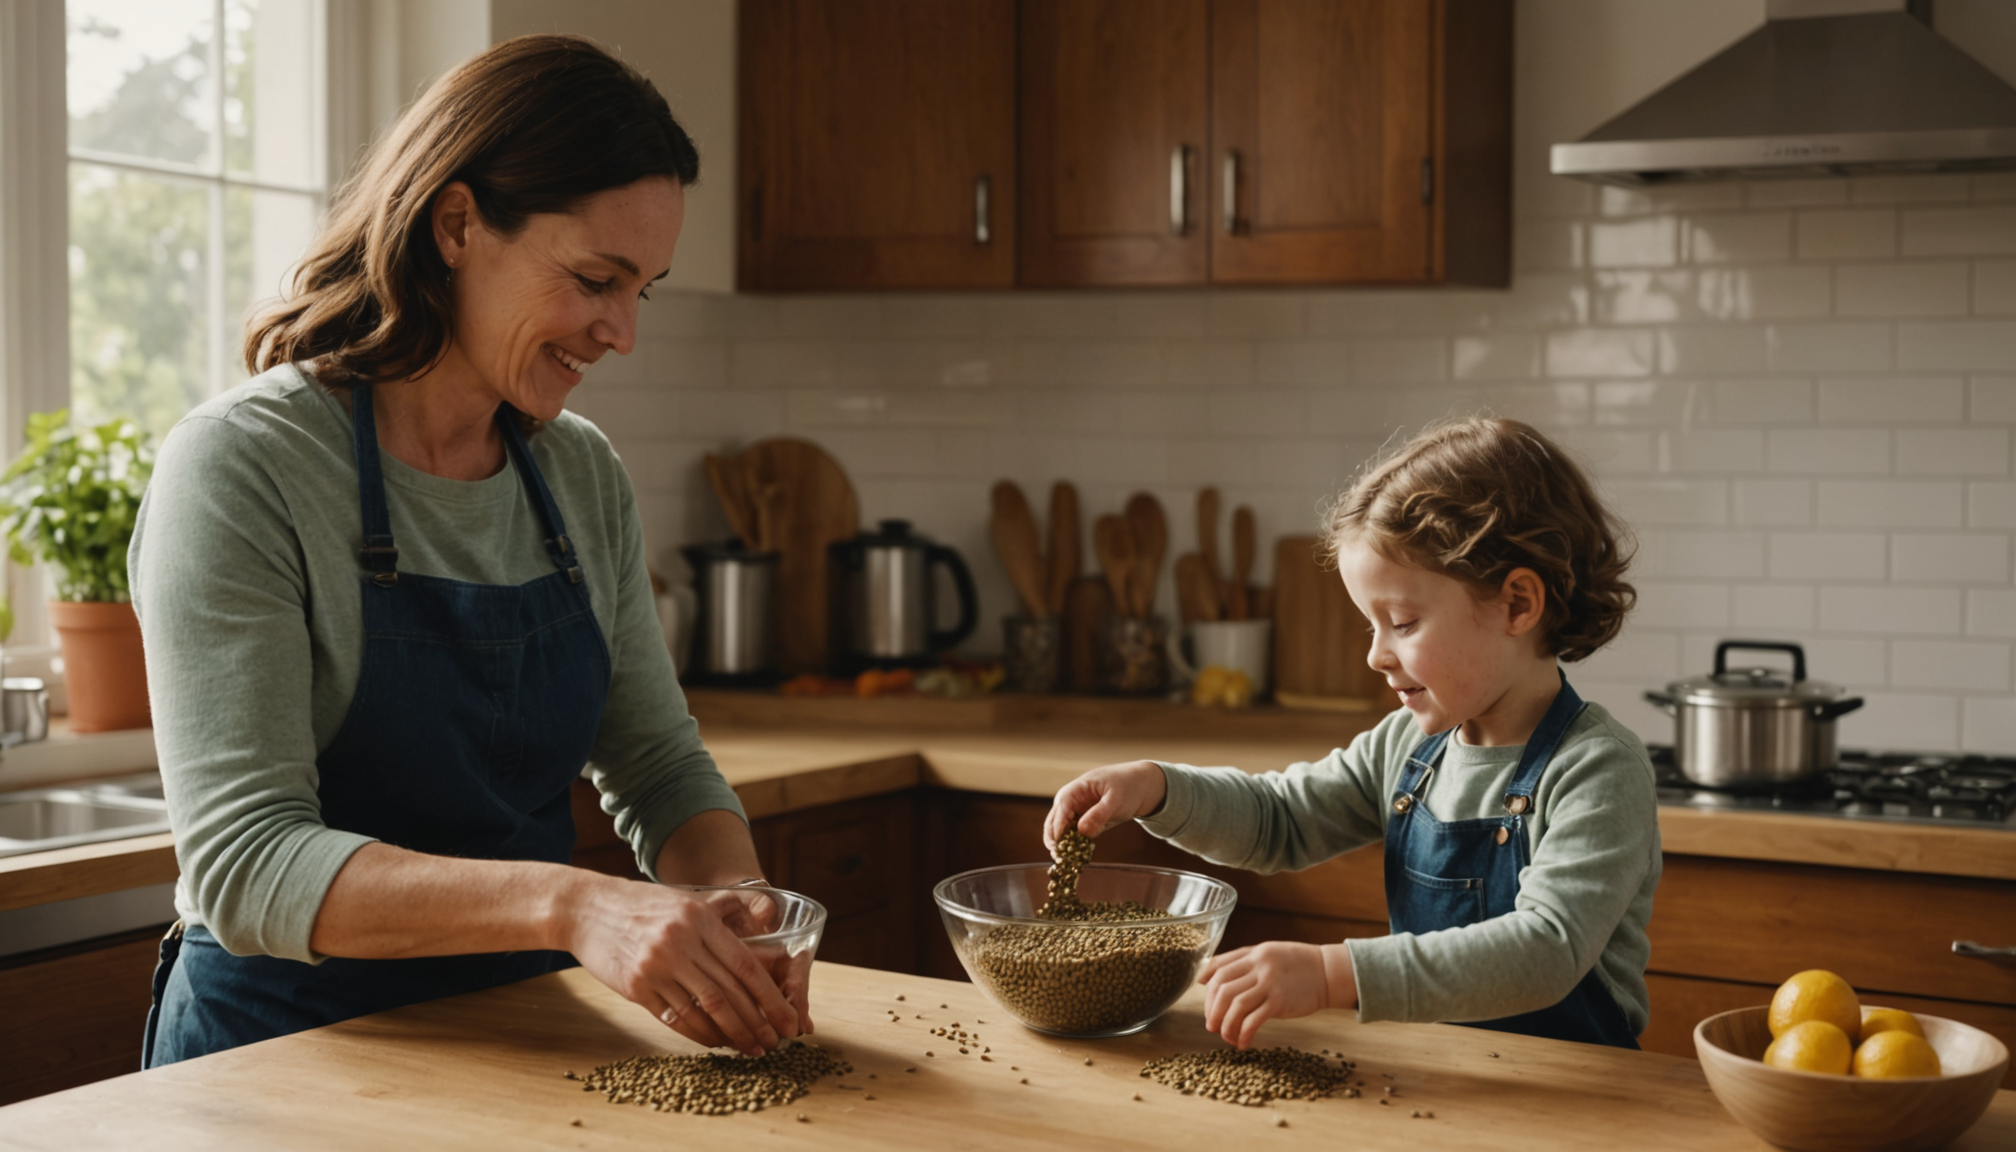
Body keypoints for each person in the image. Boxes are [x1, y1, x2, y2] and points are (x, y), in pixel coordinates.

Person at [130, 35, 805, 1067]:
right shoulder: (240, 469)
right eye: (594, 278)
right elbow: (248, 863)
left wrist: (735, 900)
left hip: (521, 1045)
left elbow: (658, 761)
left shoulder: (578, 473)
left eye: (643, 289)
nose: (621, 330)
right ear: (456, 224)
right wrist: (578, 906)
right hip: (275, 1060)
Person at [1044, 417, 1659, 1050]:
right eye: (1371, 625)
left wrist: (1333, 972)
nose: (1376, 655)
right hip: (1445, 1079)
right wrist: (1158, 789)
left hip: (1579, 1099)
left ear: (1517, 605)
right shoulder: (1406, 749)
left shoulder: (1597, 771)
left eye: (1402, 622)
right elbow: (1279, 820)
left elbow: (1545, 951)